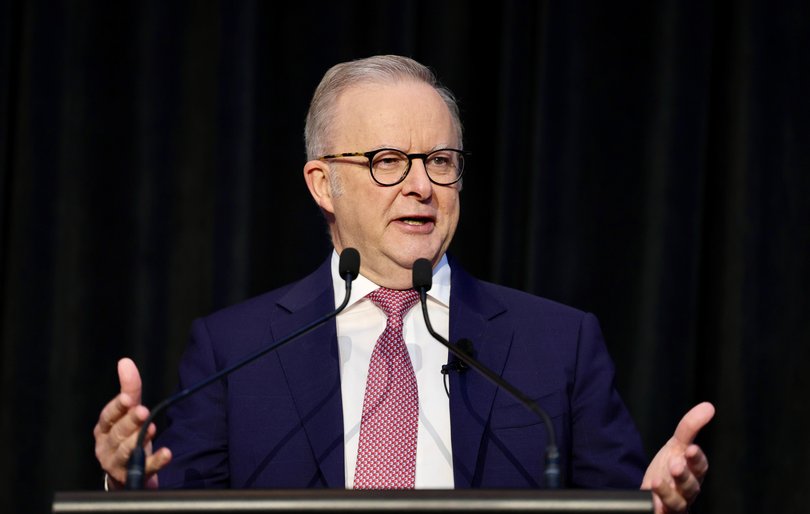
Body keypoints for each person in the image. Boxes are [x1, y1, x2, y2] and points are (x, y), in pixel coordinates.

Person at [94, 55, 714, 513]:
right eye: (387, 161)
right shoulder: (233, 350)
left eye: (440, 162)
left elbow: (620, 501)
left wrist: (651, 505)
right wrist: (132, 488)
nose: (421, 185)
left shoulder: (558, 344)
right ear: (321, 183)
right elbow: (175, 504)